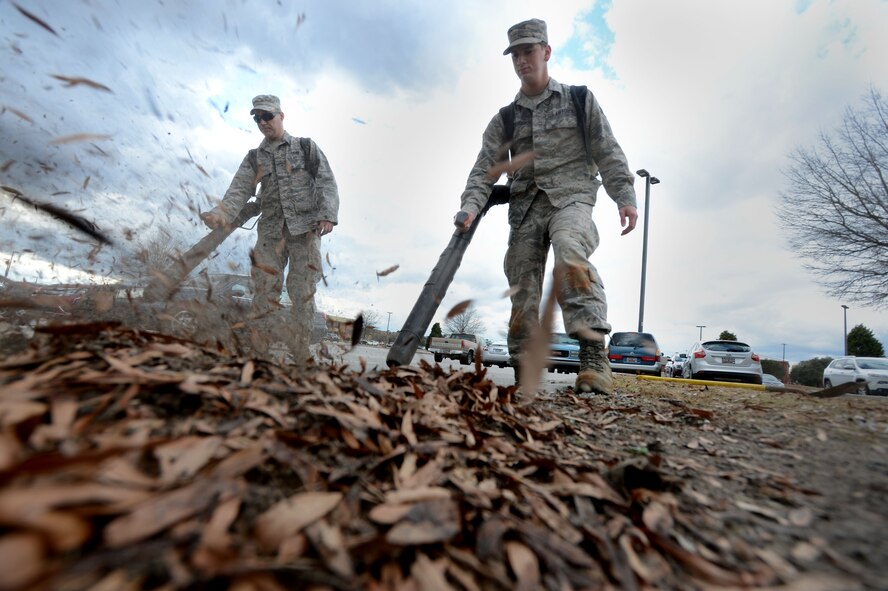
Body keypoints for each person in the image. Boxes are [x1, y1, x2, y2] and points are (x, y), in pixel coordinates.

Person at [456, 19, 638, 395]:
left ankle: (592, 358)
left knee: (570, 254)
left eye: (529, 51)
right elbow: (483, 172)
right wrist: (469, 207)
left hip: (571, 198)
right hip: (525, 208)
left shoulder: (579, 99)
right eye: (516, 54)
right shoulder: (505, 119)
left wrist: (625, 196)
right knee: (522, 286)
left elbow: (608, 150)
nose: (522, 60)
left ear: (546, 52)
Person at [201, 94, 339, 362]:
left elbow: (326, 181)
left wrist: (327, 215)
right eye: (257, 118)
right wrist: (221, 214)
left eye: (267, 116)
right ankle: (259, 351)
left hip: (305, 232)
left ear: (281, 116)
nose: (263, 121)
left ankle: (300, 352)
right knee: (264, 290)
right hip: (271, 233)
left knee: (302, 292)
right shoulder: (255, 158)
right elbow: (239, 189)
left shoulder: (305, 148)